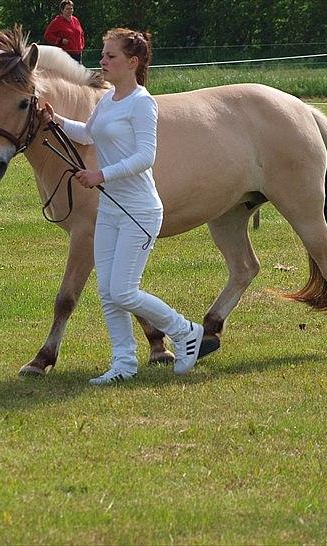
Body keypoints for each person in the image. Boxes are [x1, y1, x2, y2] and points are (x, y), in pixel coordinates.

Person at [39, 28, 217, 385]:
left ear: (132, 63)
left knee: (123, 289)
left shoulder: (142, 103)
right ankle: (123, 363)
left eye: (110, 56)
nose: (102, 61)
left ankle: (187, 332)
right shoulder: (107, 100)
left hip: (139, 209)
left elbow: (144, 157)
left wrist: (100, 174)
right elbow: (88, 134)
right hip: (111, 209)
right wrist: (55, 120)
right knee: (108, 291)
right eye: (103, 55)